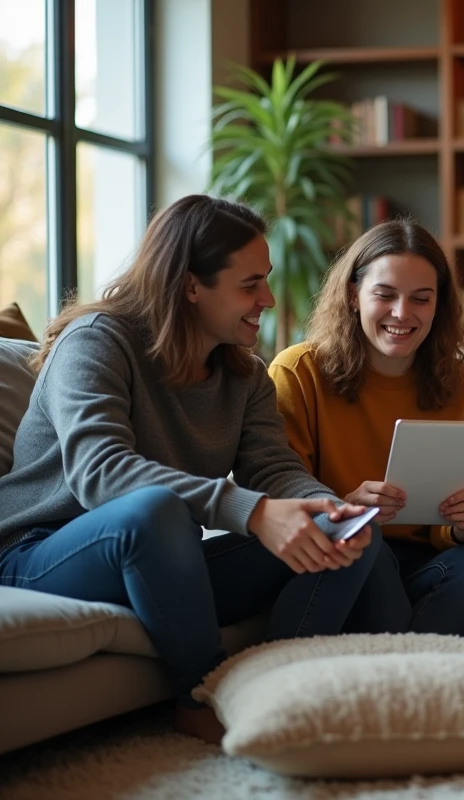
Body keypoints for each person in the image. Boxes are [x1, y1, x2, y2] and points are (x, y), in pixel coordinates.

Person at [0, 195, 382, 742]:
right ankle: (199, 694)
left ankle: (277, 686)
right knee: (156, 510)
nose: (268, 299)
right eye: (250, 285)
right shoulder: (97, 343)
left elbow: (274, 470)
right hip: (37, 555)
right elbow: (100, 473)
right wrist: (252, 514)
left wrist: (327, 508)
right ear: (190, 285)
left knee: (347, 528)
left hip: (161, 558)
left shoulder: (245, 377)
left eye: (266, 280)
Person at [269, 218, 464, 638]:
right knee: (367, 542)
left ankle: (400, 667)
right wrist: (346, 507)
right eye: (385, 295)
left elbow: (457, 520)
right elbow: (280, 493)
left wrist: (463, 524)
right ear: (353, 295)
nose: (403, 313)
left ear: (439, 306)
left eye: (421, 298)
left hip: (424, 561)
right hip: (338, 553)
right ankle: (411, 670)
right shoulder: (298, 372)